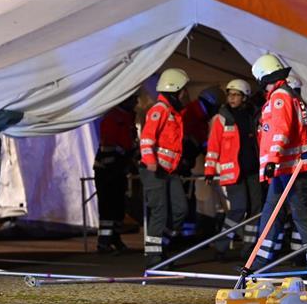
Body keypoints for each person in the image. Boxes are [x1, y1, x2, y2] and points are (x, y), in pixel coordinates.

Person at [251, 54, 307, 270]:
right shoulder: (284, 95)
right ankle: (261, 260)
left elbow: (281, 131)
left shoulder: (280, 97)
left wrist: (272, 160)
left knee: (301, 217)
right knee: (272, 213)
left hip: (290, 168)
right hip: (286, 169)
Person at [204, 79, 263, 261]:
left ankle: (249, 248)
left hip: (253, 170)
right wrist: (209, 170)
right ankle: (221, 247)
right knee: (238, 209)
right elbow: (213, 146)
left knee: (256, 209)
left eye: (236, 95)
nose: (232, 98)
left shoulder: (253, 115)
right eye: (230, 94)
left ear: (244, 97)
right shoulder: (221, 118)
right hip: (233, 172)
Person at [139, 68, 189, 268]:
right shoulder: (159, 110)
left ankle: (162, 244)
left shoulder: (172, 112)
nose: (185, 94)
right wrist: (151, 161)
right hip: (155, 170)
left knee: (180, 209)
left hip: (169, 171)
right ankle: (154, 257)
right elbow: (147, 139)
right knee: (159, 211)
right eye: (183, 90)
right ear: (175, 89)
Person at [93, 93, 138, 253]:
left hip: (118, 168)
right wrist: (123, 156)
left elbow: (129, 142)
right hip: (106, 170)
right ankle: (103, 243)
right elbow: (110, 145)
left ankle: (115, 239)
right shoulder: (113, 117)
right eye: (134, 99)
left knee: (119, 207)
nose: (136, 102)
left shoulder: (128, 117)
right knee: (108, 208)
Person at [179, 87, 220, 241]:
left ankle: (187, 233)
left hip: (186, 164)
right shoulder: (192, 115)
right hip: (181, 164)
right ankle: (183, 234)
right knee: (184, 200)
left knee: (189, 198)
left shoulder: (198, 115)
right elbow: (192, 140)